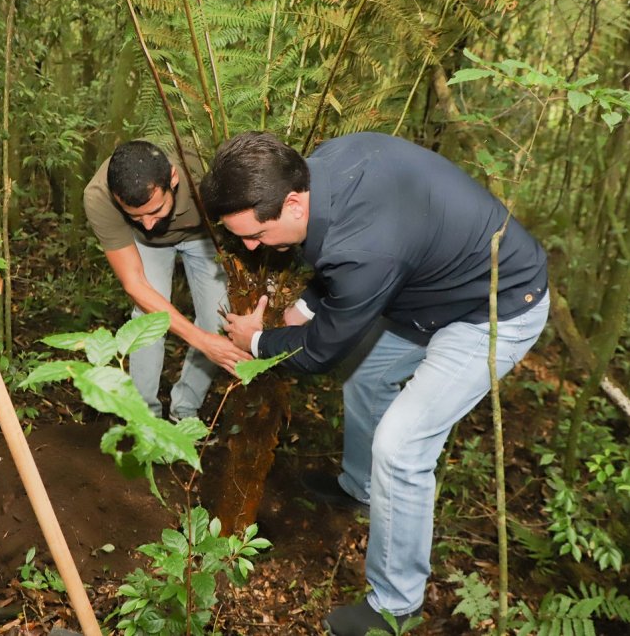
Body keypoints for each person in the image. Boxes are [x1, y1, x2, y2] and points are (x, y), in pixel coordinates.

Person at [200, 131, 549, 635]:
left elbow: (319, 350)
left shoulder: (367, 249)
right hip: (427, 293)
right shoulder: (322, 166)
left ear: (293, 203)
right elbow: (338, 264)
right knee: (365, 382)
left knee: (402, 447)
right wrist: (301, 308)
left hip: (495, 308)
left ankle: (395, 604)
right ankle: (361, 489)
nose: (251, 246)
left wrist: (258, 342)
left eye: (254, 234)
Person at [83, 140, 251, 420]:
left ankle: (184, 411)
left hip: (204, 237)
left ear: (173, 179)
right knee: (148, 321)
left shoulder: (204, 173)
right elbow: (135, 283)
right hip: (146, 246)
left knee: (217, 321)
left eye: (155, 210)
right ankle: (143, 419)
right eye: (135, 215)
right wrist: (201, 341)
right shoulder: (100, 196)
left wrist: (209, 337)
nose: (148, 223)